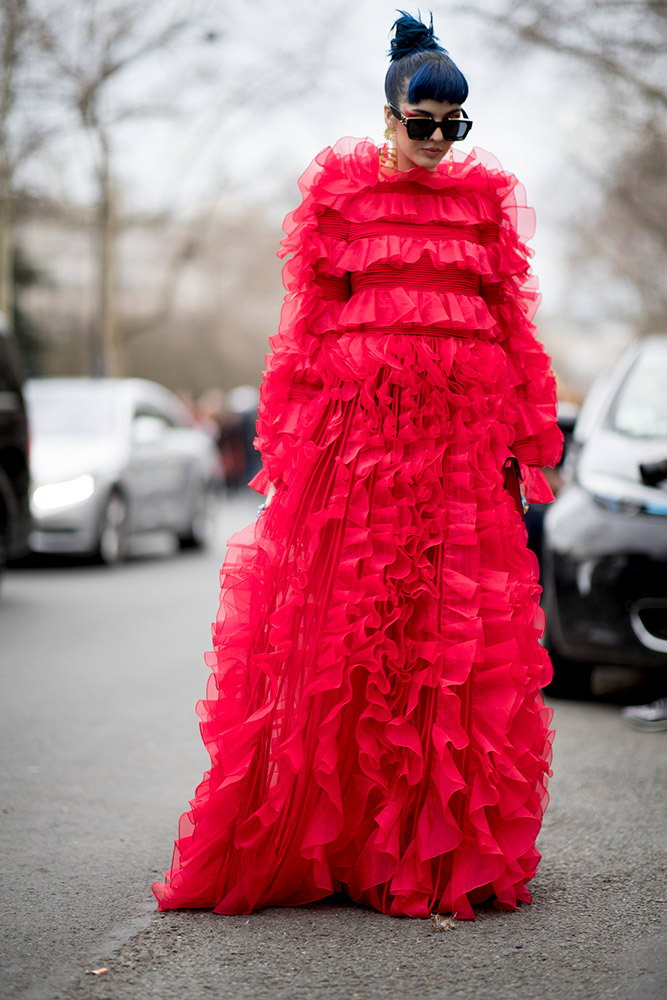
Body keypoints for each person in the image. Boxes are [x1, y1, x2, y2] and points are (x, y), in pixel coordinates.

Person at [153, 12, 563, 920]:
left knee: (443, 647)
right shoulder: (338, 200)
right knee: (348, 640)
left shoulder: (486, 204)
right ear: (388, 116)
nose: (439, 140)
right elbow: (300, 337)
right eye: (424, 121)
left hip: (458, 456)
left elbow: (512, 327)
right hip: (361, 454)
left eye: (455, 124)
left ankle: (426, 844)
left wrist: (533, 437)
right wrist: (290, 444)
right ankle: (338, 840)